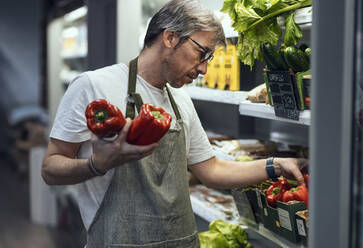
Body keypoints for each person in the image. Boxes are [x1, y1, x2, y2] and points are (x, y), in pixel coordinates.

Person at [42, 0, 308, 247]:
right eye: (202, 53)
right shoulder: (94, 85)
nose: (204, 68)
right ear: (169, 38)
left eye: (209, 58)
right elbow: (50, 169)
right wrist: (97, 164)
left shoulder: (180, 100)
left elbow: (212, 171)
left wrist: (275, 165)